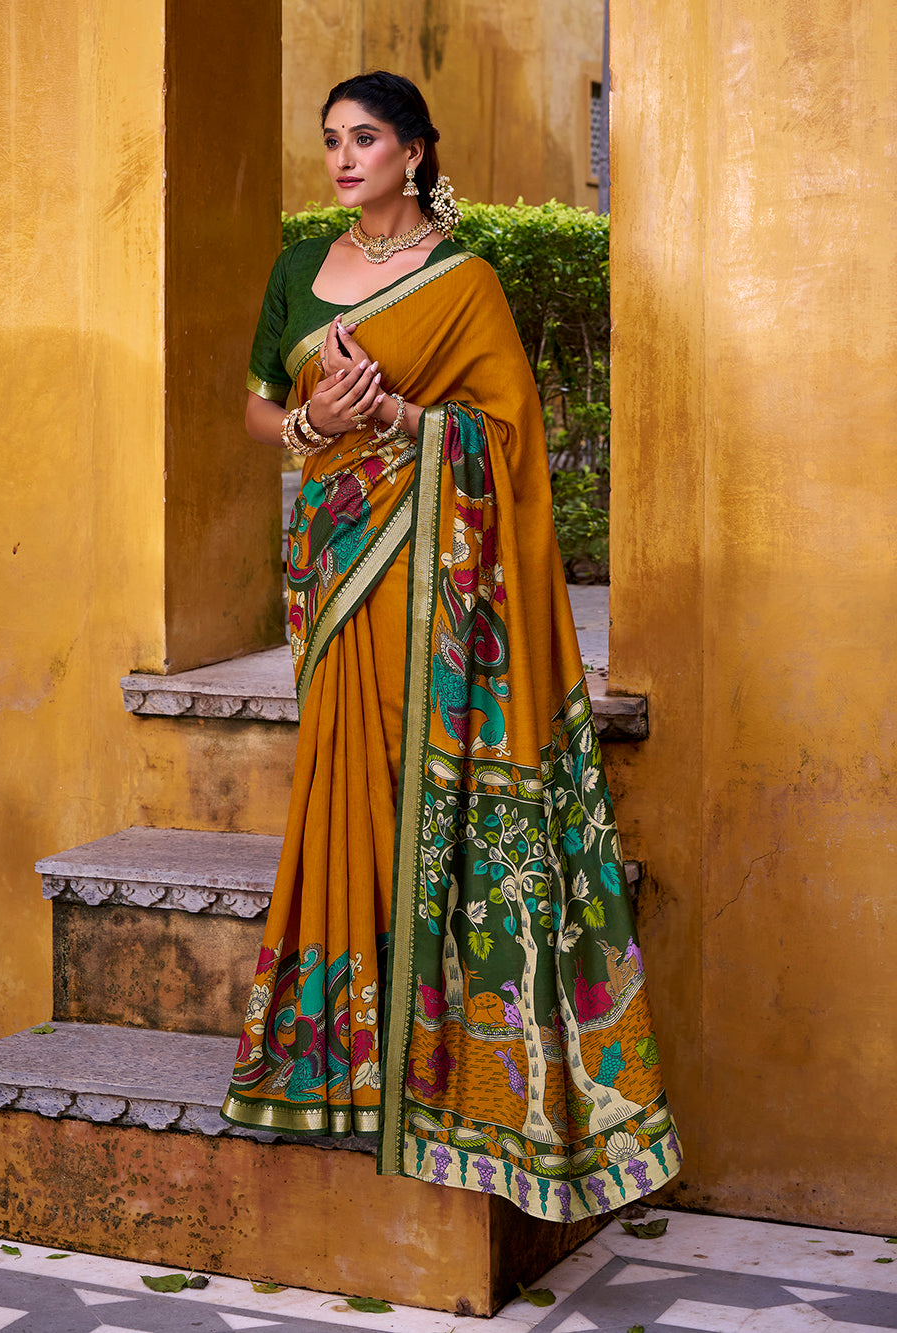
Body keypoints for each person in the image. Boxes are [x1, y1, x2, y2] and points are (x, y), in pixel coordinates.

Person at [222, 71, 681, 1222]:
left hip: (432, 569)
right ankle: (340, 1052)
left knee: (411, 775)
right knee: (343, 782)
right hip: (335, 563)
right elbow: (258, 410)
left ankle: (440, 1054)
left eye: (365, 138)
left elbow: (508, 437)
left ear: (415, 152)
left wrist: (397, 417)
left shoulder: (464, 281)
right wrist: (313, 421)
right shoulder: (296, 270)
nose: (342, 158)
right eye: (331, 139)